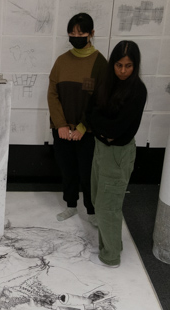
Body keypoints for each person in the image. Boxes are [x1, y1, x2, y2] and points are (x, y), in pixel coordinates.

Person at [87, 41, 147, 267]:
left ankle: (110, 256)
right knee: (97, 199)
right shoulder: (106, 84)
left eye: (128, 66)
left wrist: (103, 126)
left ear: (135, 65)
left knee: (107, 206)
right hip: (101, 148)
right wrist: (104, 128)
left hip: (118, 153)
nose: (123, 70)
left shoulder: (138, 90)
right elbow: (89, 114)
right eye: (119, 65)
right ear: (112, 64)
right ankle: (114, 243)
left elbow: (115, 130)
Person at [47, 12, 108, 226]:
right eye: (72, 32)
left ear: (91, 33)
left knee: (88, 172)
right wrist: (61, 125)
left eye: (80, 32)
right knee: (67, 169)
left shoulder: (100, 63)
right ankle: (71, 206)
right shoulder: (61, 61)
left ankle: (92, 211)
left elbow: (101, 100)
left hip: (87, 131)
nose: (76, 36)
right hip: (62, 130)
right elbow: (52, 94)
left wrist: (83, 126)